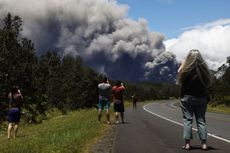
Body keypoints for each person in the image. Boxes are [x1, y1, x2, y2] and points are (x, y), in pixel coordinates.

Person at [178, 49, 213, 150]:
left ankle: (188, 145)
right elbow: (207, 85)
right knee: (201, 120)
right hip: (201, 98)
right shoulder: (204, 71)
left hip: (187, 98)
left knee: (187, 121)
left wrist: (184, 62)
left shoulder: (185, 70)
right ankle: (204, 144)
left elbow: (178, 72)